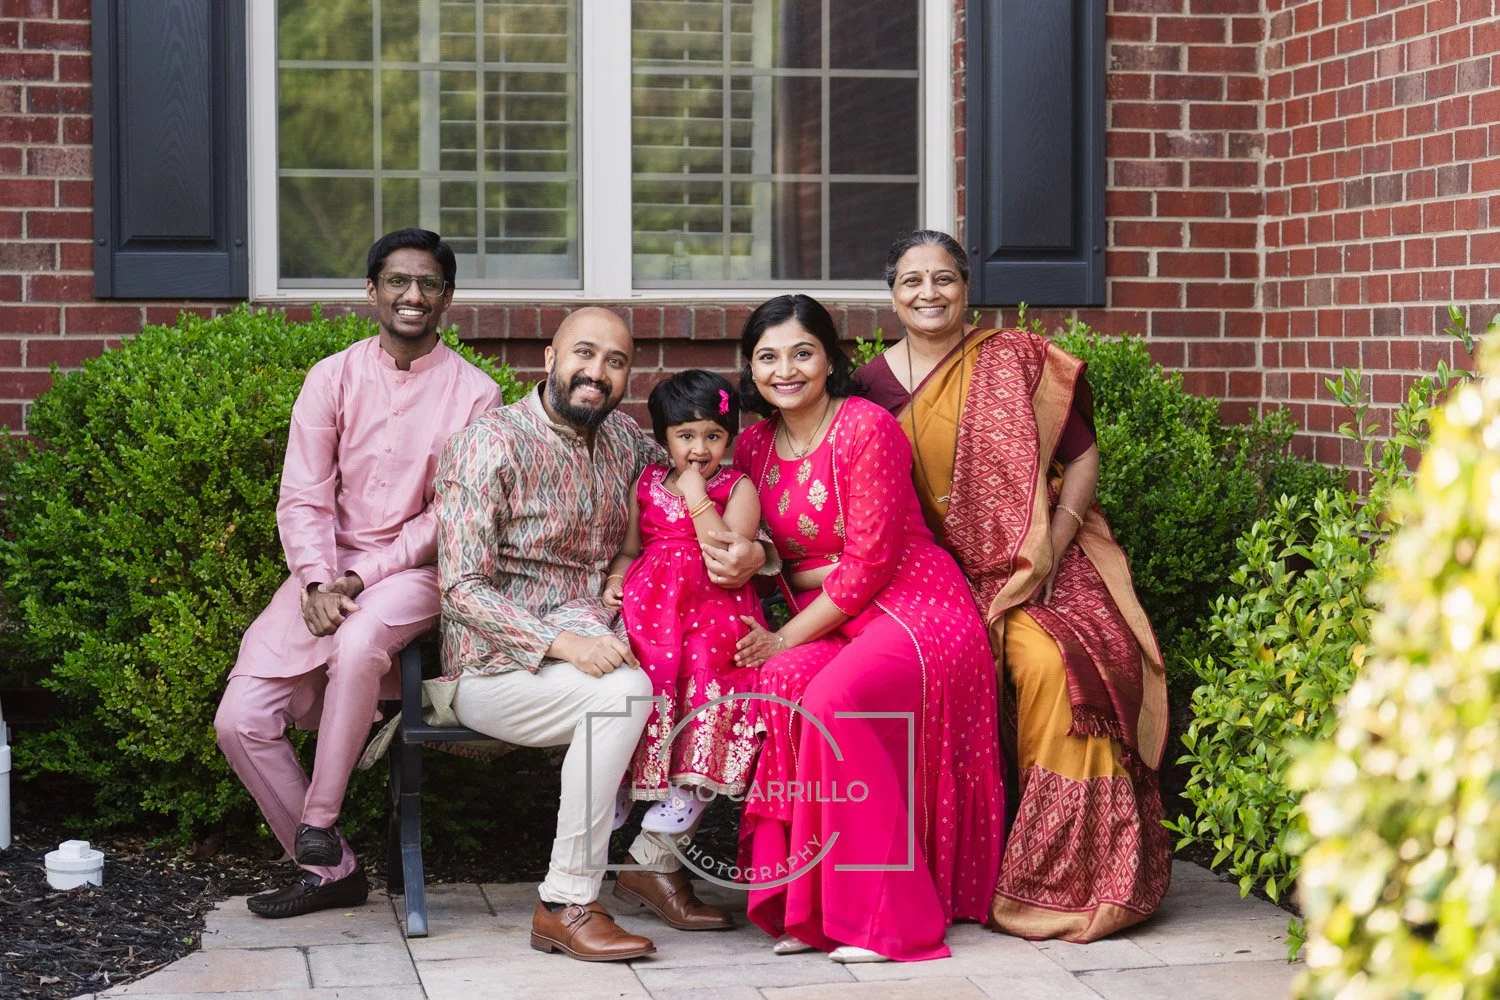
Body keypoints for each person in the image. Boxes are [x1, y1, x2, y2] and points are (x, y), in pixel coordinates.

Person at [853, 229, 1171, 943]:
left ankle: (1068, 877)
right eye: (912, 281)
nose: (928, 293)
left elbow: (1083, 462)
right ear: (892, 296)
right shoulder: (868, 387)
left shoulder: (1016, 359)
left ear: (968, 288)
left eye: (943, 279)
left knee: (1064, 663)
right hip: (930, 579)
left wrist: (1051, 548)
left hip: (1039, 563)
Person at [433, 308, 769, 962]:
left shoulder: (624, 443)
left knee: (701, 670)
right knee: (623, 693)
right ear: (551, 356)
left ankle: (653, 860)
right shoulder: (489, 443)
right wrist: (567, 645)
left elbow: (693, 493)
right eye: (585, 354)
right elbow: (460, 587)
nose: (598, 372)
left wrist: (758, 554)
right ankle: (566, 902)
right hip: (498, 669)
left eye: (616, 361)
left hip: (608, 646)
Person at [215, 228, 502, 918]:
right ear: (372, 291)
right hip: (323, 570)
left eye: (428, 284)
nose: (412, 295)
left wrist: (361, 574)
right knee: (241, 718)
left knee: (355, 641)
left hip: (415, 571)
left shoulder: (476, 395)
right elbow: (303, 494)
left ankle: (318, 817)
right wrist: (315, 580)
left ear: (447, 299)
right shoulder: (332, 377)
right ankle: (331, 870)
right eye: (397, 281)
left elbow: (448, 518)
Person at [730, 294, 1004, 964]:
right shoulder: (752, 446)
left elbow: (871, 564)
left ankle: (886, 919)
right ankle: (809, 907)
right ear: (751, 368)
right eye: (768, 356)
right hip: (833, 619)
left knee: (833, 701)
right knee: (785, 685)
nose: (785, 369)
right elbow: (767, 564)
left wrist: (790, 613)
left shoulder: (866, 427)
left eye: (802, 352)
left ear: (830, 360)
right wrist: (768, 568)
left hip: (918, 611)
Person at [601, 370, 764, 837]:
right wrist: (616, 578)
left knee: (706, 675)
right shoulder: (647, 483)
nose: (700, 449)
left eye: (714, 436)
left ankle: (689, 788)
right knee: (642, 678)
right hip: (652, 608)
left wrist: (695, 493)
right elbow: (631, 550)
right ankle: (625, 780)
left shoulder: (737, 488)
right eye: (686, 435)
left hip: (714, 609)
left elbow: (723, 549)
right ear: (663, 439)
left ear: (728, 438)